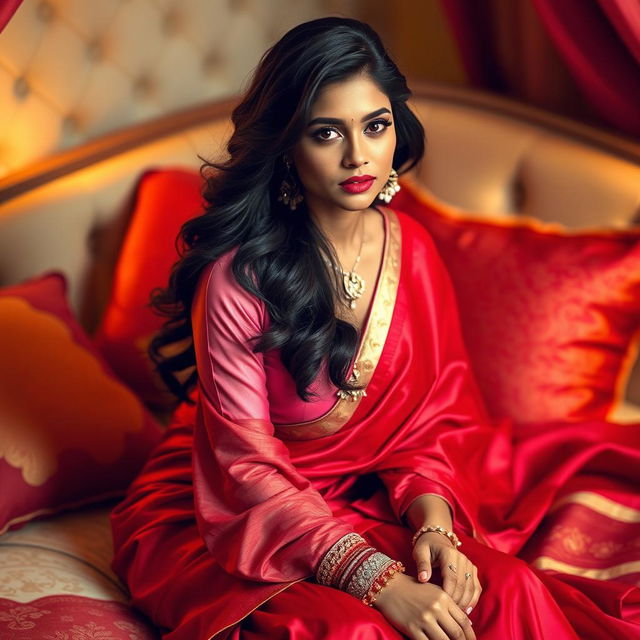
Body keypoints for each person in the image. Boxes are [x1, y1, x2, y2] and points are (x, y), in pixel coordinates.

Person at [110, 17, 640, 640]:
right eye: (326, 132)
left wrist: (434, 527)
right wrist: (376, 579)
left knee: (511, 591)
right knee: (354, 631)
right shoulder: (237, 278)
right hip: (243, 508)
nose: (358, 156)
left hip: (374, 494)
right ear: (287, 146)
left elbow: (433, 424)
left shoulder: (410, 249)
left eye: (375, 125)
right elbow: (243, 465)